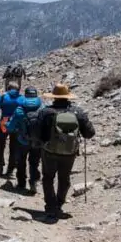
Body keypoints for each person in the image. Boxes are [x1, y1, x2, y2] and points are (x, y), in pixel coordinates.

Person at [36, 83, 95, 222]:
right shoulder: (77, 112)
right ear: (68, 96)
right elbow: (90, 133)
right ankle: (59, 204)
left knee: (48, 178)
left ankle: (50, 207)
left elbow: (38, 132)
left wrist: (42, 142)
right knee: (64, 178)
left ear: (54, 96)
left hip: (49, 150)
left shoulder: (46, 112)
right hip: (69, 152)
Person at [6, 87, 43, 195]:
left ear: (25, 95)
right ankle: (33, 182)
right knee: (34, 163)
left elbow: (10, 128)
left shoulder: (19, 109)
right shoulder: (42, 108)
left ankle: (21, 183)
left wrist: (7, 125)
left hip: (22, 141)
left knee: (21, 162)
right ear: (36, 95)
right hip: (37, 141)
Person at [0, 82, 23, 178]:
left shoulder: (3, 97)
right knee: (14, 147)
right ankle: (10, 170)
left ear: (8, 88)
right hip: (16, 124)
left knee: (1, 145)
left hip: (4, 122)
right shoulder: (21, 98)